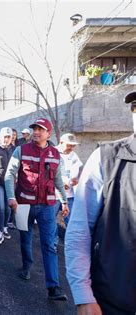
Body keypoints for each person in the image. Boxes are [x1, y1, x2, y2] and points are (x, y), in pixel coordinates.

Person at [65, 92, 136, 315]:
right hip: (113, 300)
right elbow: (80, 229)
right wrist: (82, 294)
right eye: (135, 106)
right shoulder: (105, 158)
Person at [4, 117, 69, 301]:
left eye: (40, 129)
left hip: (47, 207)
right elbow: (10, 174)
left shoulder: (55, 154)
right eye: (35, 129)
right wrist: (10, 196)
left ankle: (53, 287)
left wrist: (63, 201)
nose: (36, 132)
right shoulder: (21, 150)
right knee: (25, 238)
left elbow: (57, 180)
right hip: (23, 204)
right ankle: (26, 266)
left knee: (49, 245)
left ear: (48, 133)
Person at [54, 133, 82, 242]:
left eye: (73, 145)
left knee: (71, 220)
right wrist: (58, 183)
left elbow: (80, 168)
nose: (71, 148)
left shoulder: (73, 155)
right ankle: (53, 242)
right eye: (69, 145)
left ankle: (72, 243)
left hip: (69, 195)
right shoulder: (52, 152)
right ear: (61, 143)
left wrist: (77, 178)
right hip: (54, 195)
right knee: (51, 221)